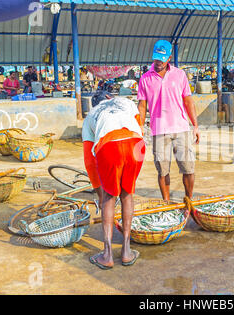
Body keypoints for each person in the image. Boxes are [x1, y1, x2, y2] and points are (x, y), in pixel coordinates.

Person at [82, 91, 145, 269]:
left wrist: (100, 193)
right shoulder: (125, 101)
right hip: (136, 144)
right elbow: (139, 127)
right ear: (109, 97)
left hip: (109, 146)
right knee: (127, 194)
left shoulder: (90, 117)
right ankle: (126, 251)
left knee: (110, 197)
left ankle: (107, 254)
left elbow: (89, 161)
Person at [137, 40, 200, 201]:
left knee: (188, 168)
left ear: (169, 57)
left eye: (161, 59)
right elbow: (142, 106)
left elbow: (188, 101)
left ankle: (189, 199)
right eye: (156, 58)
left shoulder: (179, 75)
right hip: (159, 130)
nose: (158, 62)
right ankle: (166, 202)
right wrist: (139, 128)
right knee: (163, 170)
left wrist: (195, 125)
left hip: (181, 128)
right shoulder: (145, 78)